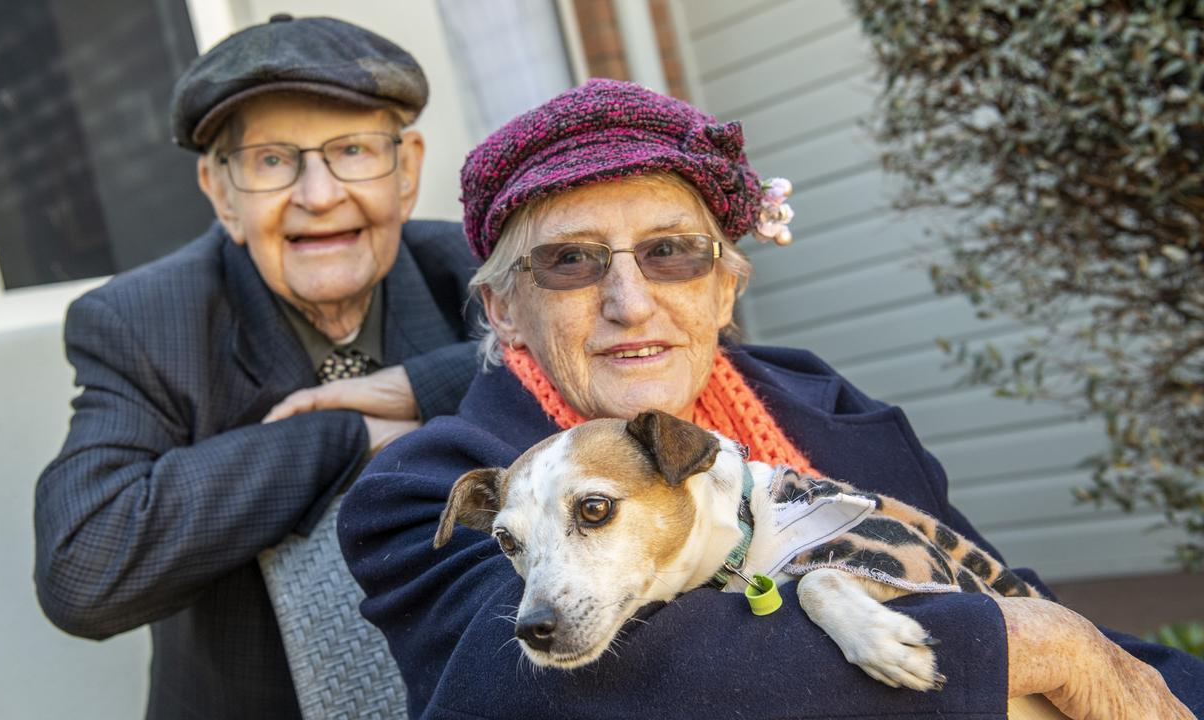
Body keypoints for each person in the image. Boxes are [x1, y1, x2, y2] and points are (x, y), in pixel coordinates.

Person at [335, 80, 1204, 719]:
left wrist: (1115, 663)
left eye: (672, 252)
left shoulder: (814, 399)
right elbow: (562, 695)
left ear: (724, 290)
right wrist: (1022, 646)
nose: (630, 302)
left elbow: (982, 578)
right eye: (571, 261)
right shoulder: (427, 484)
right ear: (502, 308)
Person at [33, 15, 480, 720]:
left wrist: (416, 390)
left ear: (407, 169)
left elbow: (580, 366)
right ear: (221, 193)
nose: (319, 194)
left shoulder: (474, 272)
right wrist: (347, 436)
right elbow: (85, 569)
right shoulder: (144, 321)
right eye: (272, 161)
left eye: (354, 151)